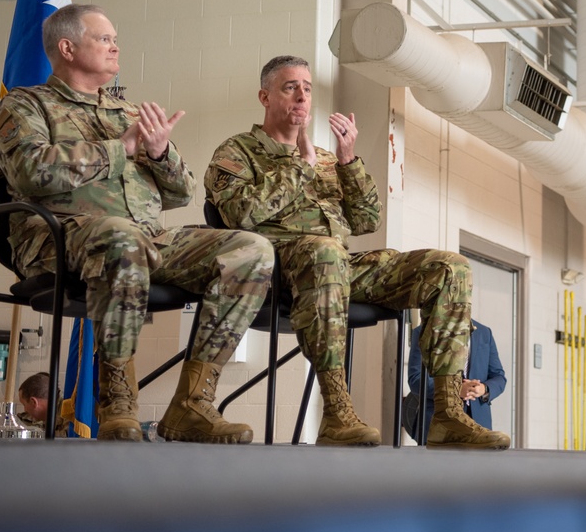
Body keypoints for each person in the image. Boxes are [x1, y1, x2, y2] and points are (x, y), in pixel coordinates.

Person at [0, 3, 275, 444]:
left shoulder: (128, 112)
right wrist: (120, 149)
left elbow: (182, 193)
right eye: (104, 38)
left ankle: (193, 403)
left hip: (147, 238)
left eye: (114, 38)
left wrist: (158, 152)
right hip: (62, 239)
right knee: (121, 237)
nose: (115, 45)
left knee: (251, 248)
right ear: (66, 47)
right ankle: (117, 401)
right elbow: (30, 173)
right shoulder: (24, 107)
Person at [204, 55, 510, 450]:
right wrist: (301, 167)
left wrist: (347, 159)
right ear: (264, 96)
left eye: (307, 88)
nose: (301, 95)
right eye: (289, 87)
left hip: (337, 268)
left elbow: (367, 220)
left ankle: (447, 415)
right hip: (278, 270)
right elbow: (238, 215)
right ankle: (336, 412)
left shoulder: (329, 159)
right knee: (325, 252)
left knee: (449, 267)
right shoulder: (238, 151)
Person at [406, 319, 506, 445]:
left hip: (480, 423)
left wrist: (484, 388)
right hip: (437, 425)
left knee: (478, 465)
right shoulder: (424, 331)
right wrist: (456, 390)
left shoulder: (484, 332)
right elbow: (416, 379)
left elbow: (499, 377)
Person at [17, 372, 67, 437]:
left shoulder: (70, 410)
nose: (25, 410)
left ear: (33, 402)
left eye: (24, 404)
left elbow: (68, 440)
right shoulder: (48, 412)